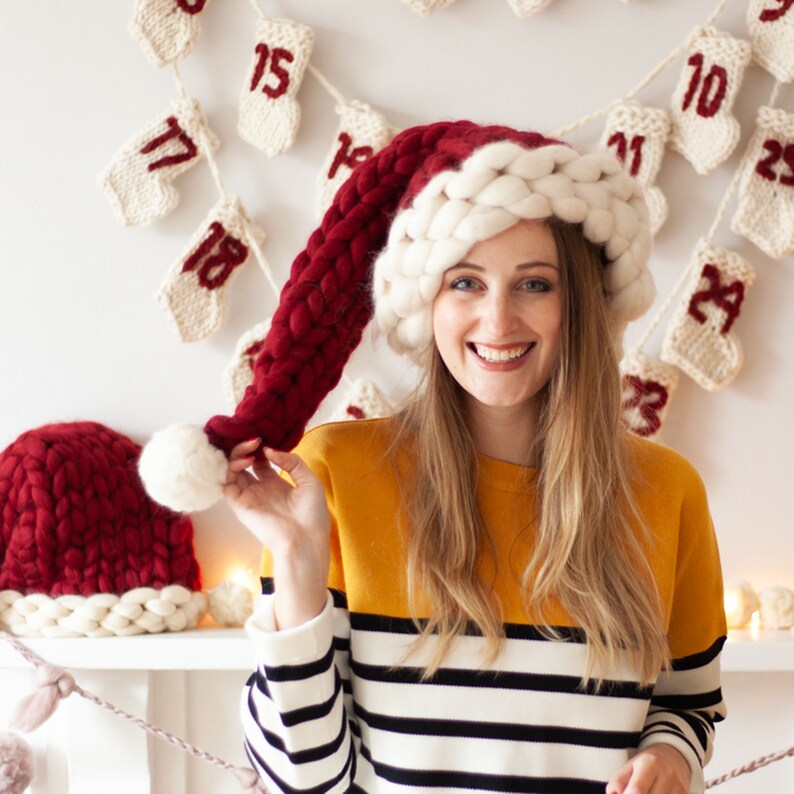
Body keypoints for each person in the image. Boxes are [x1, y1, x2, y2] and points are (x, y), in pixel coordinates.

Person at [140, 121, 727, 794]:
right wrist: (298, 559)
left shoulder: (666, 491)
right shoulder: (331, 477)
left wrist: (671, 756)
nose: (498, 320)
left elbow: (688, 704)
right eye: (466, 283)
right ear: (429, 303)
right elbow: (302, 782)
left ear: (581, 305)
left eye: (535, 284)